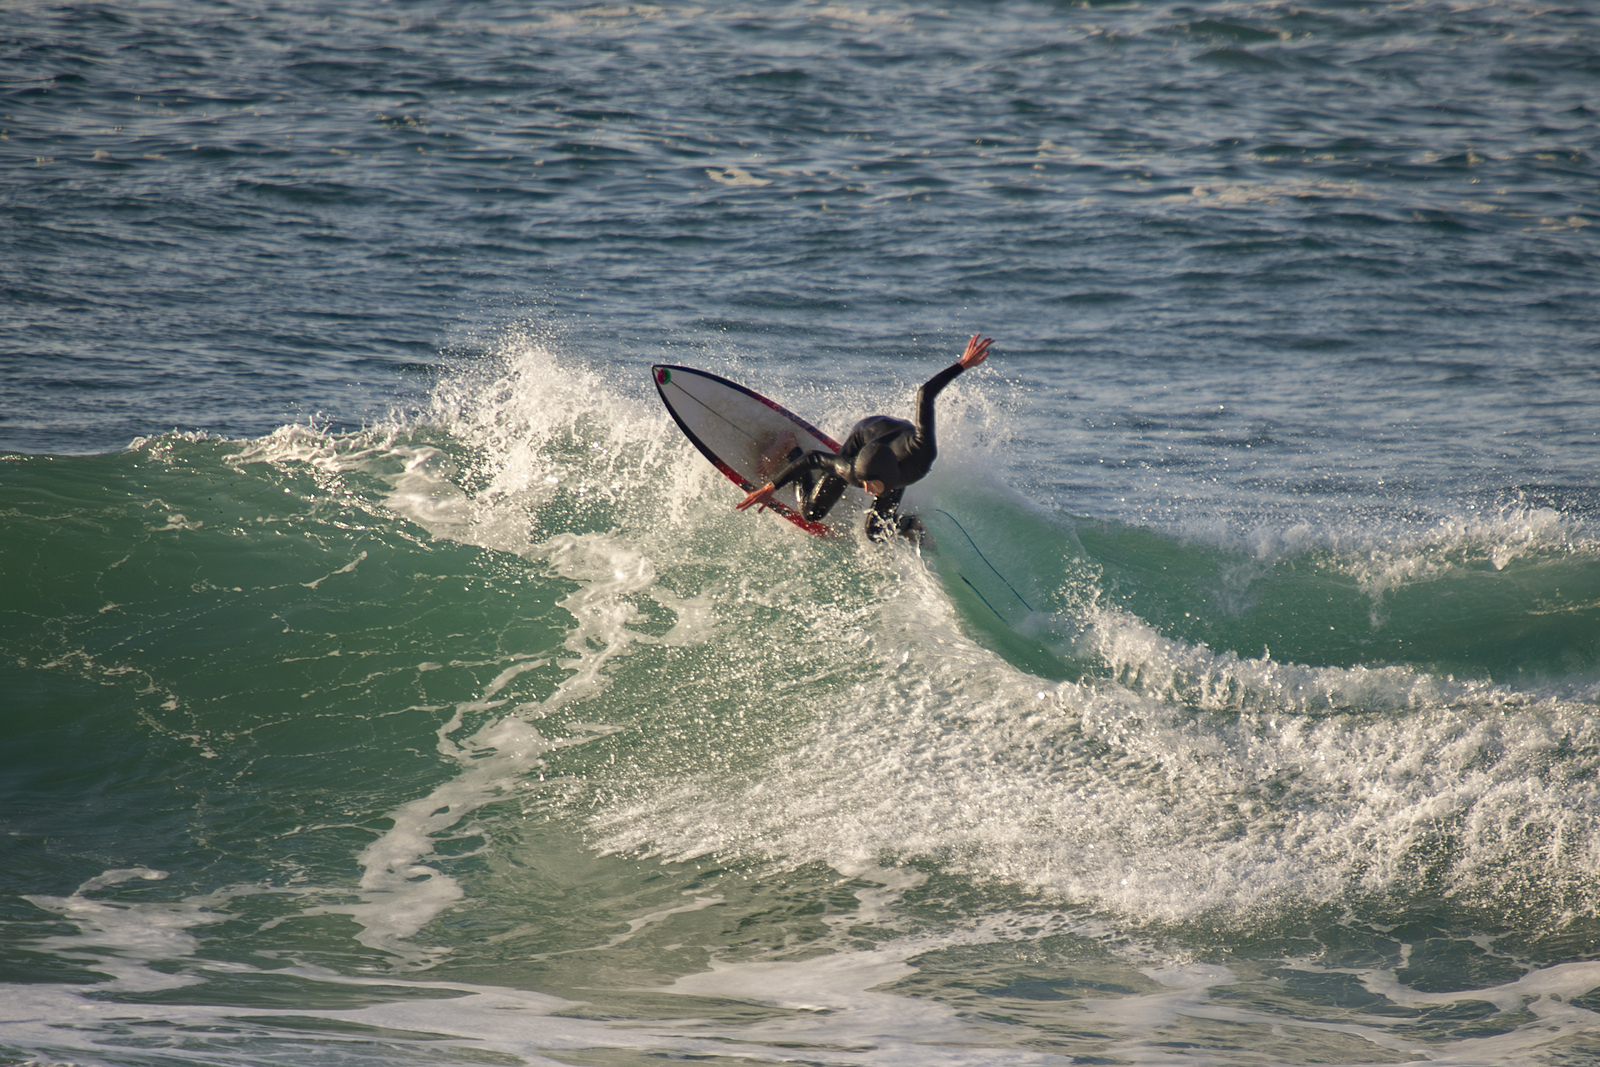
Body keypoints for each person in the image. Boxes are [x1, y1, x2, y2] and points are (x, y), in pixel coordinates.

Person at [736, 334, 994, 540]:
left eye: (871, 483)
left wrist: (962, 364)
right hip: (865, 435)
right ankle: (790, 446)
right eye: (864, 481)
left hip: (895, 439)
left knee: (876, 534)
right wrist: (771, 488)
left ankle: (907, 523)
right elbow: (814, 459)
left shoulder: (922, 452)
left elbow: (925, 394)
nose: (865, 488)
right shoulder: (853, 470)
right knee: (811, 512)